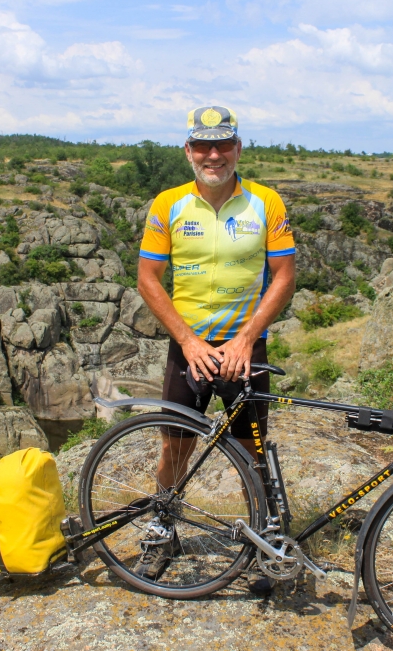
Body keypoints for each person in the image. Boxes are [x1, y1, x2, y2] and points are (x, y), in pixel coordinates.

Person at [135, 105, 297, 589]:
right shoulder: (168, 204)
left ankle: (265, 542)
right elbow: (148, 278)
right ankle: (163, 529)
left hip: (245, 347)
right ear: (188, 151)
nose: (213, 155)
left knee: (251, 448)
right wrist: (188, 342)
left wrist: (246, 339)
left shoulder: (266, 202)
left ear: (237, 148)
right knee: (174, 445)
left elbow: (284, 276)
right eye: (203, 145)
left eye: (223, 144)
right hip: (188, 347)